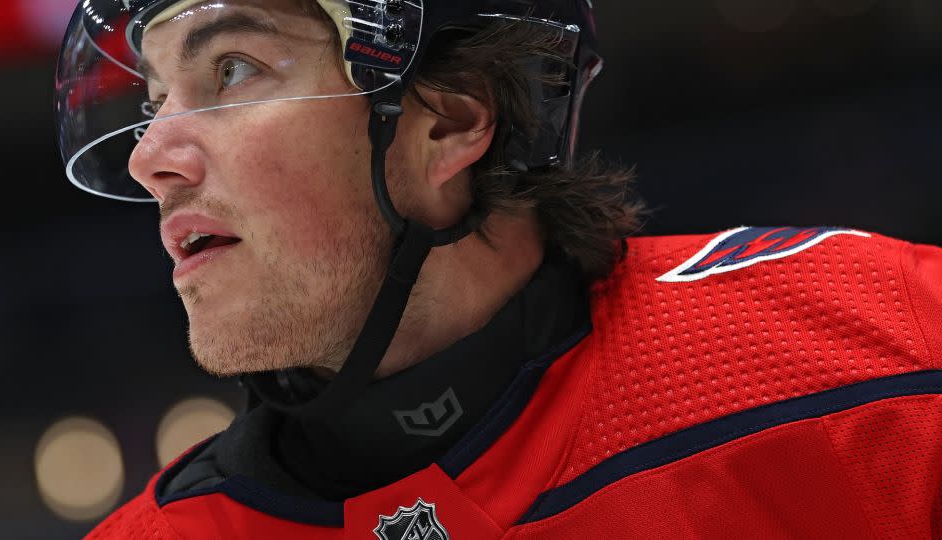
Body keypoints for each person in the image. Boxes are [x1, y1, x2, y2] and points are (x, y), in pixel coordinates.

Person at [55, 0, 942, 538]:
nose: (149, 155)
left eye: (233, 68)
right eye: (154, 100)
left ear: (450, 122)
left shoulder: (879, 358)